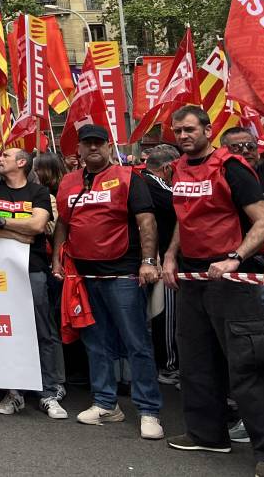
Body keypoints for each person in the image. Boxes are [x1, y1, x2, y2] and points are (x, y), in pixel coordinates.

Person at [162, 105, 264, 469]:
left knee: (247, 367)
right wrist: (170, 257)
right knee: (195, 362)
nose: (183, 136)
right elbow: (184, 216)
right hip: (192, 281)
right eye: (178, 131)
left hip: (231, 282)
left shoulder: (231, 167)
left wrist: (234, 258)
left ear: (208, 130)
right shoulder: (178, 168)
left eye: (190, 129)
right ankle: (207, 436)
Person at [52, 124, 163, 440]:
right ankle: (105, 403)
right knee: (95, 342)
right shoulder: (69, 182)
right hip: (84, 276)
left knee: (136, 342)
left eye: (98, 143)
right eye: (87, 144)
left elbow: (147, 221)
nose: (93, 148)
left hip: (123, 273)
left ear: (108, 145)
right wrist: (58, 258)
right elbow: (63, 222)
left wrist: (148, 261)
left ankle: (149, 410)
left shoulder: (129, 177)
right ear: (79, 150)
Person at [0, 147, 66, 419]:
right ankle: (14, 392)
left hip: (33, 269)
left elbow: (38, 227)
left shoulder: (38, 193)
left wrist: (0, 222)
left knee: (41, 330)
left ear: (22, 163)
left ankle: (49, 392)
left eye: (6, 156)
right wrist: (19, 233)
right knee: (8, 330)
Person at [138, 144, 181, 389]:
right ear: (167, 168)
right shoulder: (155, 184)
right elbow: (181, 204)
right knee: (165, 314)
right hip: (162, 260)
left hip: (153, 259)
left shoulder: (140, 181)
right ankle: (169, 365)